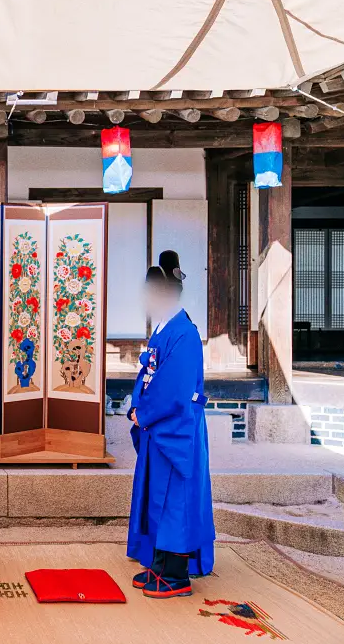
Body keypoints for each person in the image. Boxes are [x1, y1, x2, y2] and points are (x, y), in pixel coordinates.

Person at [127, 251, 215, 599]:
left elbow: (174, 388)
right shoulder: (165, 328)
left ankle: (177, 576)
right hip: (160, 425)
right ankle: (160, 564)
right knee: (157, 497)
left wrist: (144, 412)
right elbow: (148, 376)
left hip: (177, 427)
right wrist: (137, 406)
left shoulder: (184, 332)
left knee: (175, 498)